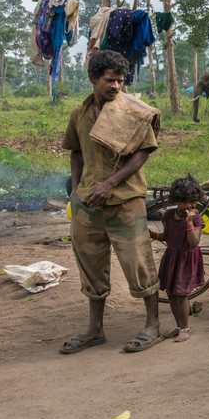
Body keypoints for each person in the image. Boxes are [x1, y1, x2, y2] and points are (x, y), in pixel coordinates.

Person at [60, 50, 162, 354]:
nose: (116, 86)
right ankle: (95, 329)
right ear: (94, 79)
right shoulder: (79, 115)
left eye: (120, 80)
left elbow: (143, 152)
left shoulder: (131, 111)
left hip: (125, 200)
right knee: (91, 266)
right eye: (110, 80)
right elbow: (75, 151)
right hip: (87, 205)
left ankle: (153, 325)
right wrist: (76, 189)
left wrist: (110, 183)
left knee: (139, 263)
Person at [150, 176, 206, 343]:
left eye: (193, 201)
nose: (189, 206)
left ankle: (185, 328)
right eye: (184, 202)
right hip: (172, 258)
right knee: (171, 294)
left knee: (181, 295)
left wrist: (189, 223)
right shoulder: (168, 215)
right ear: (176, 200)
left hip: (186, 260)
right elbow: (167, 236)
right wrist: (153, 235)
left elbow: (194, 242)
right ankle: (178, 325)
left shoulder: (196, 219)